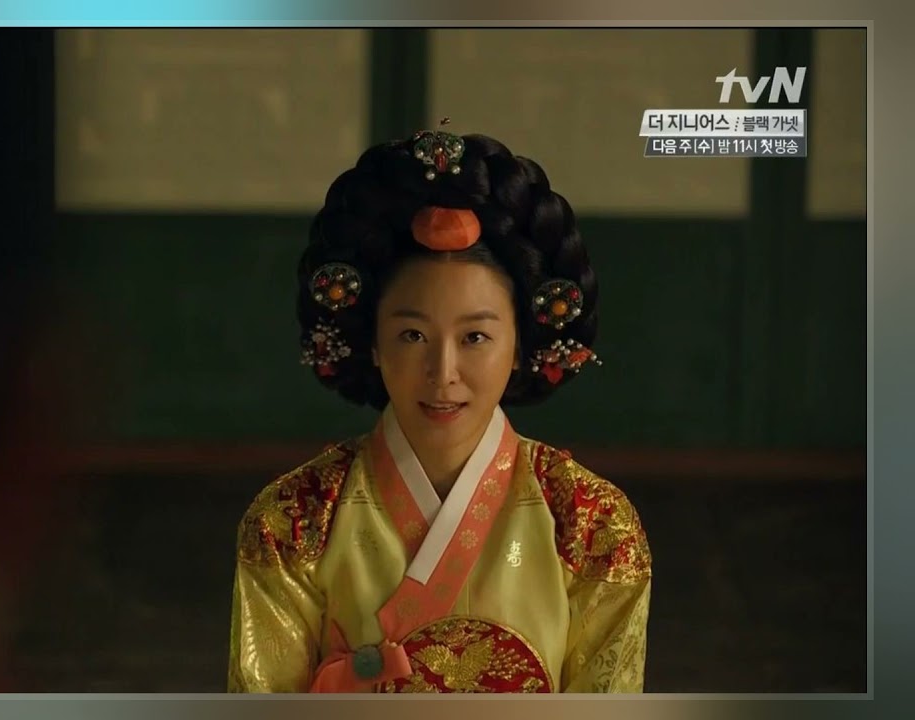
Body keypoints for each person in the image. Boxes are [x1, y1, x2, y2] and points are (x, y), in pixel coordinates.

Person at [226, 124, 652, 693]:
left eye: (475, 337)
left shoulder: (591, 524)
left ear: (519, 346)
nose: (443, 372)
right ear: (373, 344)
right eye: (412, 335)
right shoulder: (294, 521)